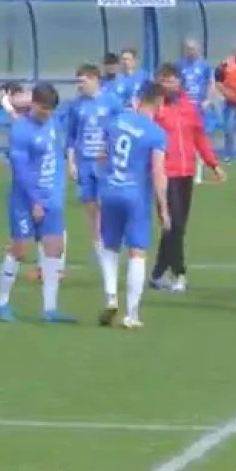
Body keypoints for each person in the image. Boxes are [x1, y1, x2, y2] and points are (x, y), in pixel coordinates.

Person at [0, 83, 74, 323]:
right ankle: (2, 303)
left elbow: (56, 158)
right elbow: (20, 170)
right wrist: (35, 201)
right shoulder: (21, 130)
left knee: (54, 248)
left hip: (52, 198)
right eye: (43, 109)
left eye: (50, 109)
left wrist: (56, 194)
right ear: (34, 104)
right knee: (20, 248)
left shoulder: (54, 124)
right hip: (25, 199)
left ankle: (50, 309)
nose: (47, 113)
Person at [97, 82, 170, 329]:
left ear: (139, 99)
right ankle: (132, 314)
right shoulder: (156, 133)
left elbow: (102, 154)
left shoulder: (116, 121)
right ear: (159, 103)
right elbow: (158, 172)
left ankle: (110, 297)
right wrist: (163, 207)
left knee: (110, 246)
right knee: (137, 251)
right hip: (135, 195)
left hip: (110, 190)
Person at [150, 63, 224, 293]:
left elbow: (199, 137)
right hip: (165, 173)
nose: (168, 84)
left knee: (176, 226)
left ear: (179, 82)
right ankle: (179, 273)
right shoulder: (155, 108)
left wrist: (213, 164)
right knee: (174, 224)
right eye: (163, 80)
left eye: (171, 80)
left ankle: (157, 274)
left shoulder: (189, 107)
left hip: (186, 172)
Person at [66, 64, 120, 270]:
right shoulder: (76, 105)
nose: (80, 85)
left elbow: (120, 130)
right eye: (78, 82)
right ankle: (100, 249)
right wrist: (71, 162)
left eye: (83, 81)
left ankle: (110, 243)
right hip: (85, 163)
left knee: (108, 206)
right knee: (91, 208)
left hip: (105, 163)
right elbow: (71, 136)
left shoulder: (112, 102)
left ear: (95, 79)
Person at [177, 39, 216, 182]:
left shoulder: (205, 66)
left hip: (199, 107)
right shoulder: (179, 65)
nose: (191, 51)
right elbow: (177, 84)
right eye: (188, 48)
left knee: (199, 138)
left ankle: (198, 172)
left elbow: (211, 83)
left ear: (199, 49)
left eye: (193, 48)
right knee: (184, 138)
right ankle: (185, 169)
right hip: (184, 107)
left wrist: (208, 100)